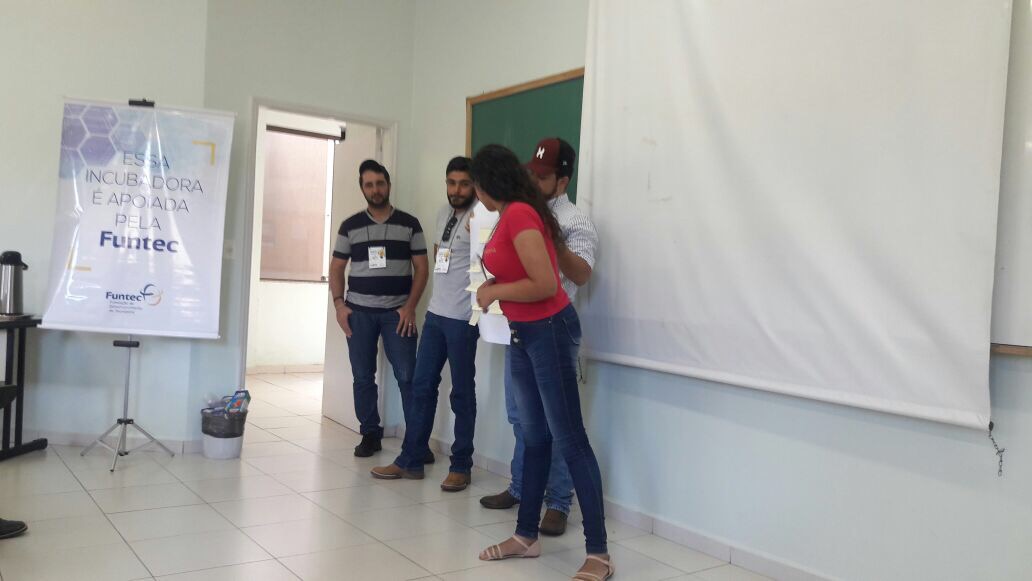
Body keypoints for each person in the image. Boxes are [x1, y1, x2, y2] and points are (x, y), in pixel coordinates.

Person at [471, 145, 613, 581]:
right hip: (524, 333)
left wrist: (494, 291)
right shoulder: (511, 214)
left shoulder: (519, 214)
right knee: (534, 438)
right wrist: (498, 286)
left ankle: (599, 554)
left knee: (571, 441)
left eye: (476, 186)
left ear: (486, 184)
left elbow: (546, 284)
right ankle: (525, 537)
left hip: (549, 332)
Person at [371, 156, 480, 491]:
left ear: (475, 185)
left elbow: (489, 265)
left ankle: (461, 465)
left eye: (464, 184)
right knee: (421, 388)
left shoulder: (483, 217)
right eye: (451, 183)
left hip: (464, 319)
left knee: (461, 394)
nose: (456, 190)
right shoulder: (442, 213)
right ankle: (411, 459)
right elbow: (438, 259)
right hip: (435, 315)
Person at [329, 159, 429, 458]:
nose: (376, 189)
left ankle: (417, 441)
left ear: (388, 185)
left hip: (398, 314)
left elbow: (422, 269)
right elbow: (336, 268)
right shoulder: (350, 226)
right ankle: (370, 434)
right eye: (369, 185)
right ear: (362, 189)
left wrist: (410, 307)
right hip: (358, 314)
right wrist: (339, 305)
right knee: (363, 376)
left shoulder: (410, 224)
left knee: (408, 377)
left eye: (380, 183)